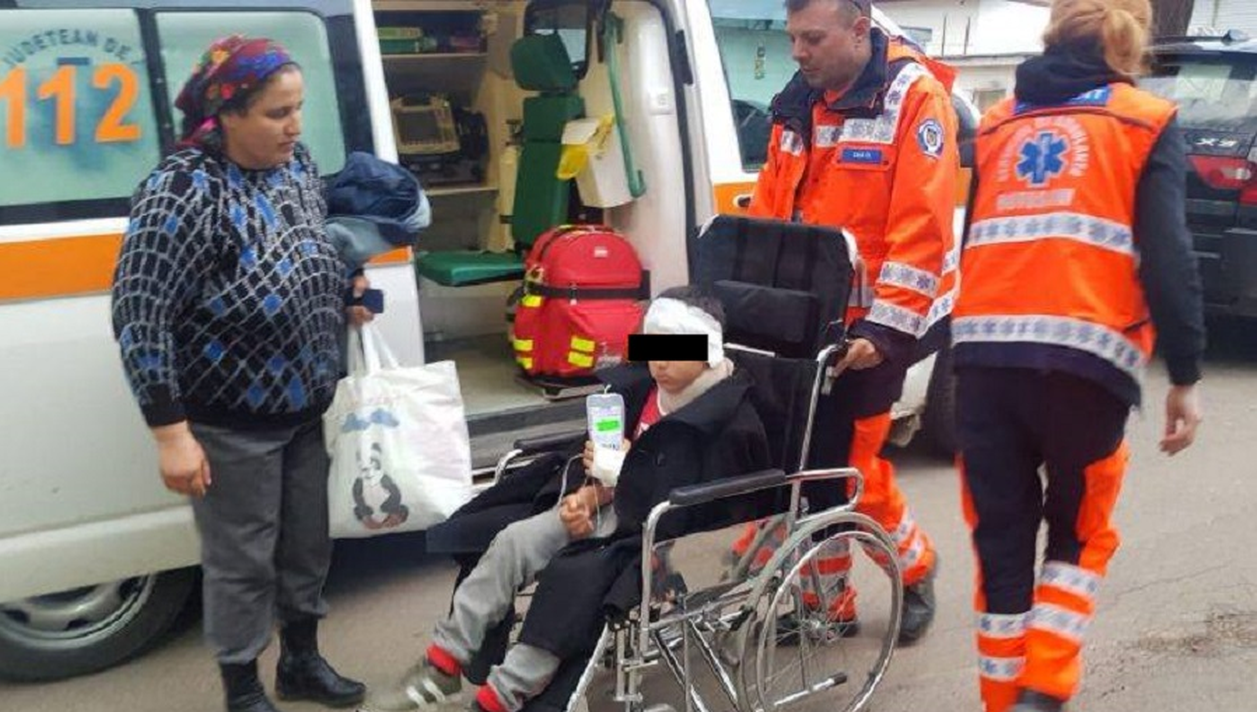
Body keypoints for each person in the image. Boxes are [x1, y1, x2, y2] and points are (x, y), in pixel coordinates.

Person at [950, 1, 1206, 710]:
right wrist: (1185, 376)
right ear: (1132, 38)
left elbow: (976, 242)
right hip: (1086, 367)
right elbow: (1169, 258)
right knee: (1080, 531)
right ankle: (1045, 687)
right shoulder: (1143, 120)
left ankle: (1003, 699)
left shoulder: (998, 122)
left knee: (1000, 544)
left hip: (985, 361)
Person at [112, 36, 375, 712]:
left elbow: (316, 241)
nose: (295, 127)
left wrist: (349, 285)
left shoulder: (296, 166)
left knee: (307, 548)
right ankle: (243, 689)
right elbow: (140, 314)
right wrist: (171, 433)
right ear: (226, 113)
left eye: (298, 109)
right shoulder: (180, 189)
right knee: (241, 563)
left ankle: (302, 663)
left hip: (304, 407)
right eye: (277, 113)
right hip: (230, 423)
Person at [361, 287, 772, 712]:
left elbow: (709, 509)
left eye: (675, 350)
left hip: (660, 534)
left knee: (570, 580)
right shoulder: (639, 392)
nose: (660, 363)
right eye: (653, 347)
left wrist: (629, 473)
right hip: (608, 506)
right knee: (513, 540)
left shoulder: (731, 419)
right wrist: (586, 495)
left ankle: (502, 696)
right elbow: (604, 463)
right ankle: (443, 663)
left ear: (708, 351)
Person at [744, 0, 955, 642]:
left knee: (849, 468)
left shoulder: (914, 99)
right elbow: (770, 211)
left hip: (885, 321)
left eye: (812, 38)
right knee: (807, 468)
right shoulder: (797, 101)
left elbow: (922, 229)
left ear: (860, 30)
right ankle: (826, 605)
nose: (798, 52)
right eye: (793, 39)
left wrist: (882, 332)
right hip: (811, 319)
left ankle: (915, 567)